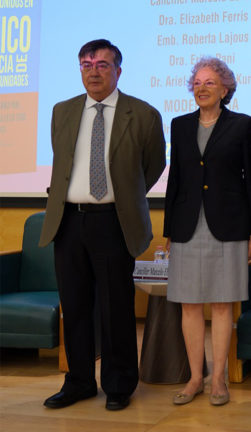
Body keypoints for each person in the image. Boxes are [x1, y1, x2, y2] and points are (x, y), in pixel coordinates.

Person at [39, 39, 166, 411]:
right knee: (75, 307)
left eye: (102, 65)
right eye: (86, 64)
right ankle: (78, 382)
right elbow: (62, 166)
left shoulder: (142, 114)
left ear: (118, 71)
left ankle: (119, 384)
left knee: (116, 308)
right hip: (68, 222)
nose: (93, 71)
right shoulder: (62, 111)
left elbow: (152, 167)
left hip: (113, 222)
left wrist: (122, 195)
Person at [163, 57, 251, 406]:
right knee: (189, 304)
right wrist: (168, 230)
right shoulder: (178, 124)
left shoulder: (242, 124)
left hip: (230, 224)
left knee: (222, 304)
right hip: (187, 225)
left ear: (225, 89)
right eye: (197, 82)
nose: (201, 88)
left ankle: (218, 378)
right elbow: (176, 178)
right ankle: (195, 378)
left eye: (209, 83)